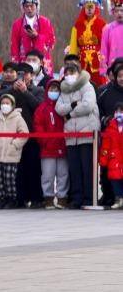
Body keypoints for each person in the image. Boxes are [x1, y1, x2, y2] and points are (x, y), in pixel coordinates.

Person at [56, 63, 101, 208]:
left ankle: (89, 198)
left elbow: (88, 105)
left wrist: (70, 114)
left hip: (87, 132)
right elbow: (59, 108)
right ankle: (76, 198)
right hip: (71, 135)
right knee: (74, 168)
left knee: (87, 168)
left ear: (78, 72)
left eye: (72, 72)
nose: (69, 75)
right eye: (67, 73)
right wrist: (73, 105)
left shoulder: (87, 86)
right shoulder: (64, 90)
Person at [0, 93, 29, 209]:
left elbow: (24, 134)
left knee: (9, 178)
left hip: (12, 155)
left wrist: (15, 145)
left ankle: (12, 199)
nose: (4, 105)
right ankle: (3, 198)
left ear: (12, 105)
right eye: (3, 103)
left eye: (7, 103)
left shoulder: (18, 118)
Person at [34, 80, 68, 209]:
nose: (53, 92)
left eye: (56, 90)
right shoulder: (41, 108)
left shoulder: (63, 107)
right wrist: (44, 141)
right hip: (47, 148)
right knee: (47, 174)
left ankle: (62, 197)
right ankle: (48, 197)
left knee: (63, 174)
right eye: (51, 89)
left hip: (62, 146)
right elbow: (38, 126)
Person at [10, 0, 55, 74]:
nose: (29, 9)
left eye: (32, 6)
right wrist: (16, 66)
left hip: (42, 63)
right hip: (24, 63)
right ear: (23, 7)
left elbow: (51, 42)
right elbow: (14, 47)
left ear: (37, 6)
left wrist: (37, 36)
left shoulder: (45, 22)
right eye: (26, 6)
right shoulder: (17, 24)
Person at [70, 0, 106, 86]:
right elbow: (73, 47)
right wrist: (72, 62)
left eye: (91, 7)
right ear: (83, 8)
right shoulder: (77, 25)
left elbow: (105, 45)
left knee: (100, 87)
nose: (89, 9)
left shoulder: (102, 24)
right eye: (87, 7)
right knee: (83, 87)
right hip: (82, 63)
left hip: (97, 62)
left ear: (96, 7)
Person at [99, 102, 123, 209]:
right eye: (117, 111)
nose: (119, 113)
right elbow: (105, 146)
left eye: (121, 111)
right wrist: (103, 159)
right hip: (114, 158)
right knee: (115, 179)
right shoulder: (110, 127)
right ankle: (118, 199)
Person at [100, 0, 123, 76]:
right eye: (117, 11)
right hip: (113, 68)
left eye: (122, 10)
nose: (119, 13)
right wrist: (104, 69)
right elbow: (104, 50)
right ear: (113, 12)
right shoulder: (107, 29)